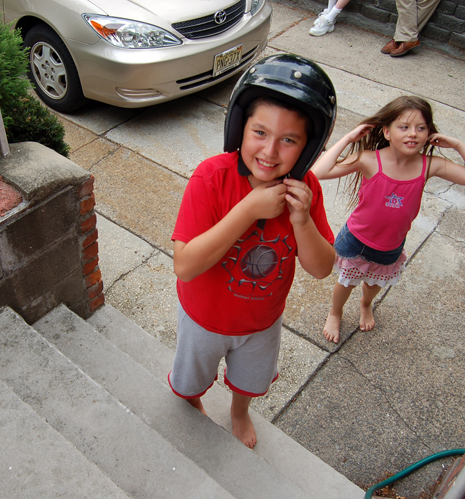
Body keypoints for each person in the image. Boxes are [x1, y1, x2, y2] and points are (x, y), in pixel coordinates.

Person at [168, 54, 337, 449]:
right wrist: (248, 209)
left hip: (261, 321)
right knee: (193, 377)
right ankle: (193, 399)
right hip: (204, 319)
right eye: (260, 132)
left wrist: (302, 222)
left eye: (289, 140)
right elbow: (186, 265)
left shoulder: (305, 188)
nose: (271, 151)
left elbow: (322, 267)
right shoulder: (212, 178)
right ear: (239, 128)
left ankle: (239, 412)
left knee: (249, 380)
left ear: (307, 148)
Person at [312, 96, 465, 344]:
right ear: (386, 131)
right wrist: (349, 138)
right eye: (404, 127)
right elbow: (318, 172)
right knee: (346, 282)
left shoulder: (430, 165)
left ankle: (366, 305)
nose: (413, 134)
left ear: (429, 133)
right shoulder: (369, 159)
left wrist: (459, 145)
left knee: (375, 283)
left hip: (390, 245)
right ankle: (336, 312)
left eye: (421, 128)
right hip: (356, 237)